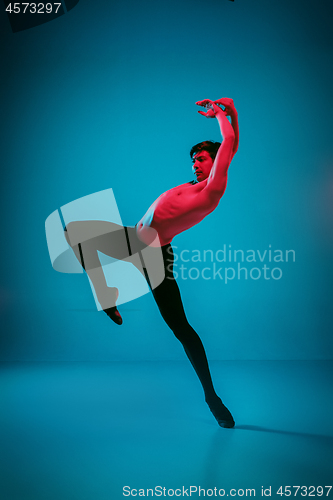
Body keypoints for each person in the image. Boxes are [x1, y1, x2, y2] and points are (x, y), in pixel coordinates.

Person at [64, 97, 239, 428]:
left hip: (156, 256)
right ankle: (107, 297)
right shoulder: (194, 185)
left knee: (181, 328)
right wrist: (232, 109)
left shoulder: (212, 191)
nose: (194, 165)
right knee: (75, 233)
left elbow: (229, 143)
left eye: (201, 159)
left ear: (216, 162)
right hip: (133, 238)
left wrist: (220, 115)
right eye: (192, 160)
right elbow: (232, 143)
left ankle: (211, 396)